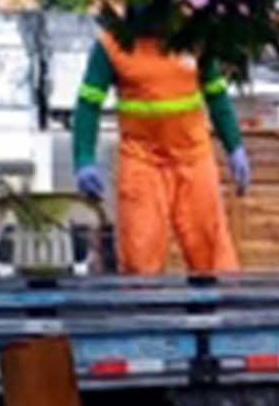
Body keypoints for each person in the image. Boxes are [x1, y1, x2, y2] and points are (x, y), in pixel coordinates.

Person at [71, 27, 250, 274]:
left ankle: (223, 310)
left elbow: (216, 94)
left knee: (212, 257)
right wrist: (83, 159)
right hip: (141, 162)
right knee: (139, 259)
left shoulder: (194, 35)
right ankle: (145, 310)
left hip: (193, 159)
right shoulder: (112, 44)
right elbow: (88, 104)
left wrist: (234, 145)